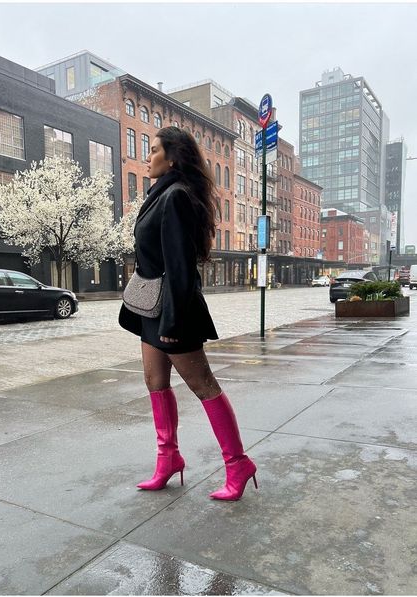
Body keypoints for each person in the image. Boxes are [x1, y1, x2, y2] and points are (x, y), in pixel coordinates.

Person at [119, 126, 257, 501]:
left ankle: (238, 464)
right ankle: (169, 459)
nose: (147, 157)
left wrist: (173, 322)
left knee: (203, 385)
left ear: (173, 157)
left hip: (174, 309)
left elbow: (180, 267)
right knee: (154, 382)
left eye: (152, 150)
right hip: (152, 307)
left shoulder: (176, 197)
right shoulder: (159, 194)